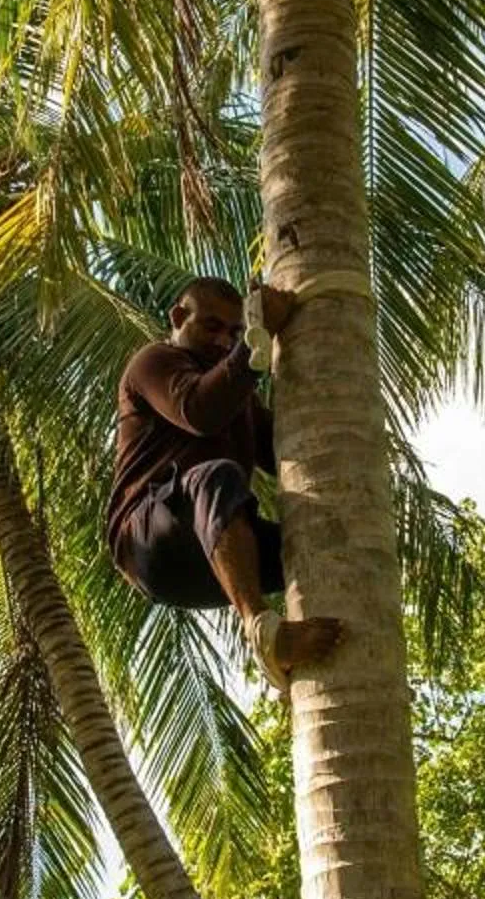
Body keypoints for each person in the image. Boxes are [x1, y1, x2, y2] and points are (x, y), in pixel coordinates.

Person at [106, 275, 344, 684]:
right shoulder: (154, 361)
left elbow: (286, 447)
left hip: (212, 553)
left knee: (313, 541)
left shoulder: (239, 400)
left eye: (235, 331)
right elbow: (199, 412)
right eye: (211, 326)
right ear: (179, 317)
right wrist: (256, 336)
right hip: (149, 541)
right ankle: (262, 631)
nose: (223, 342)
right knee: (217, 475)